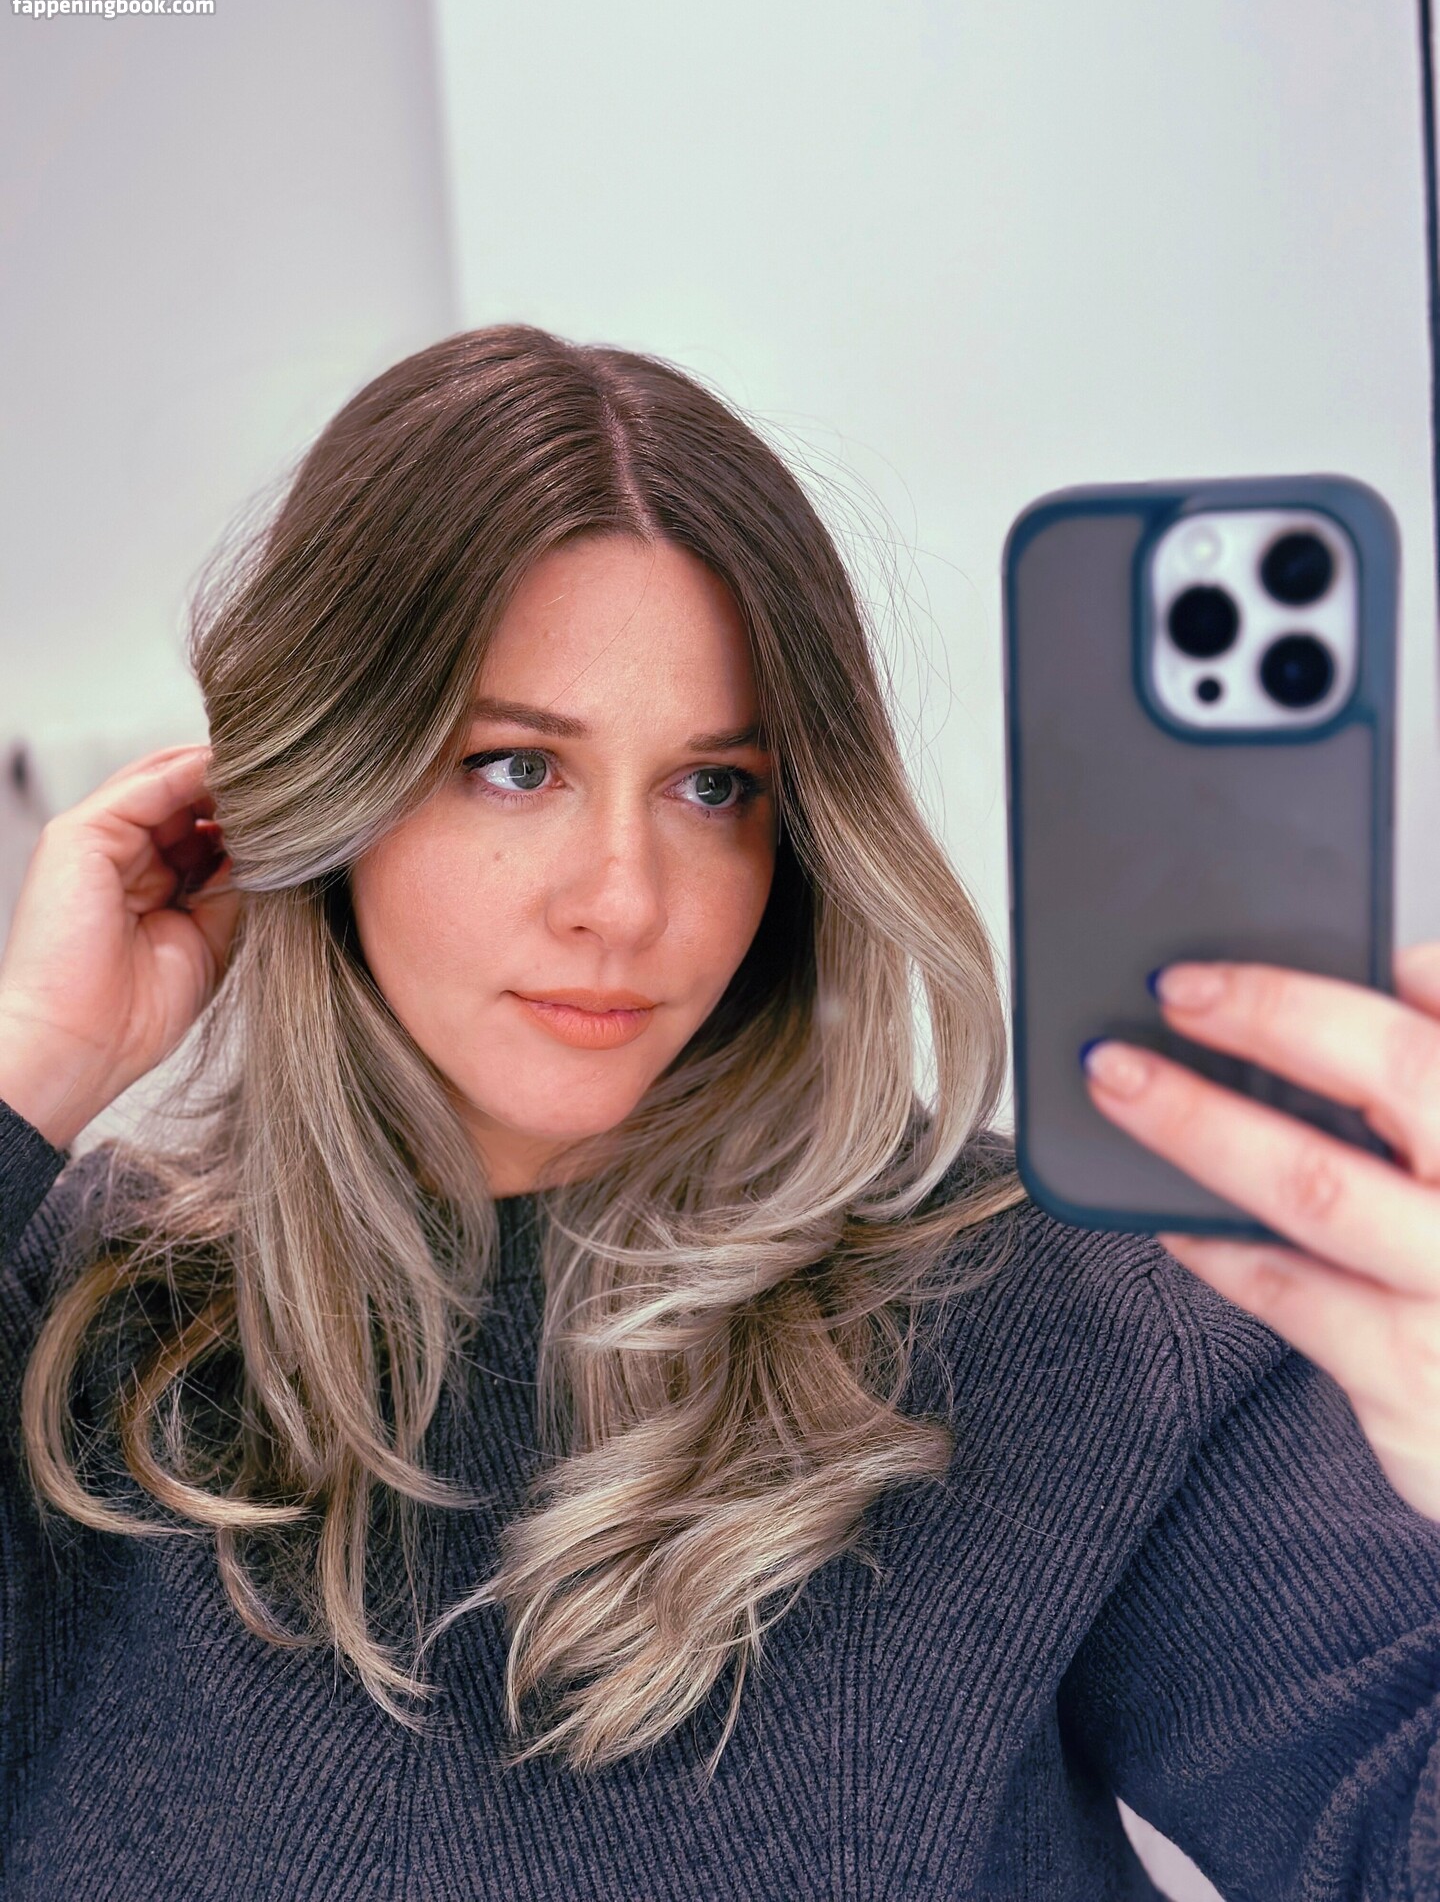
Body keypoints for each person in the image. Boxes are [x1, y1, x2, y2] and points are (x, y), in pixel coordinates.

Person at [0, 323, 1436, 1900]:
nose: (624, 902)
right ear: (321, 785)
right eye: (514, 766)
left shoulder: (1069, 1317)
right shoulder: (78, 1328)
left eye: (714, 787)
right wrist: (28, 1069)